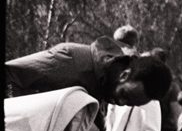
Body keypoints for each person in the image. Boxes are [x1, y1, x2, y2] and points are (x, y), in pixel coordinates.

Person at [7, 36, 172, 109]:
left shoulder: (103, 87)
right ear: (124, 75)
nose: (120, 103)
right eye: (124, 95)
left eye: (128, 104)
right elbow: (10, 74)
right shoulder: (70, 61)